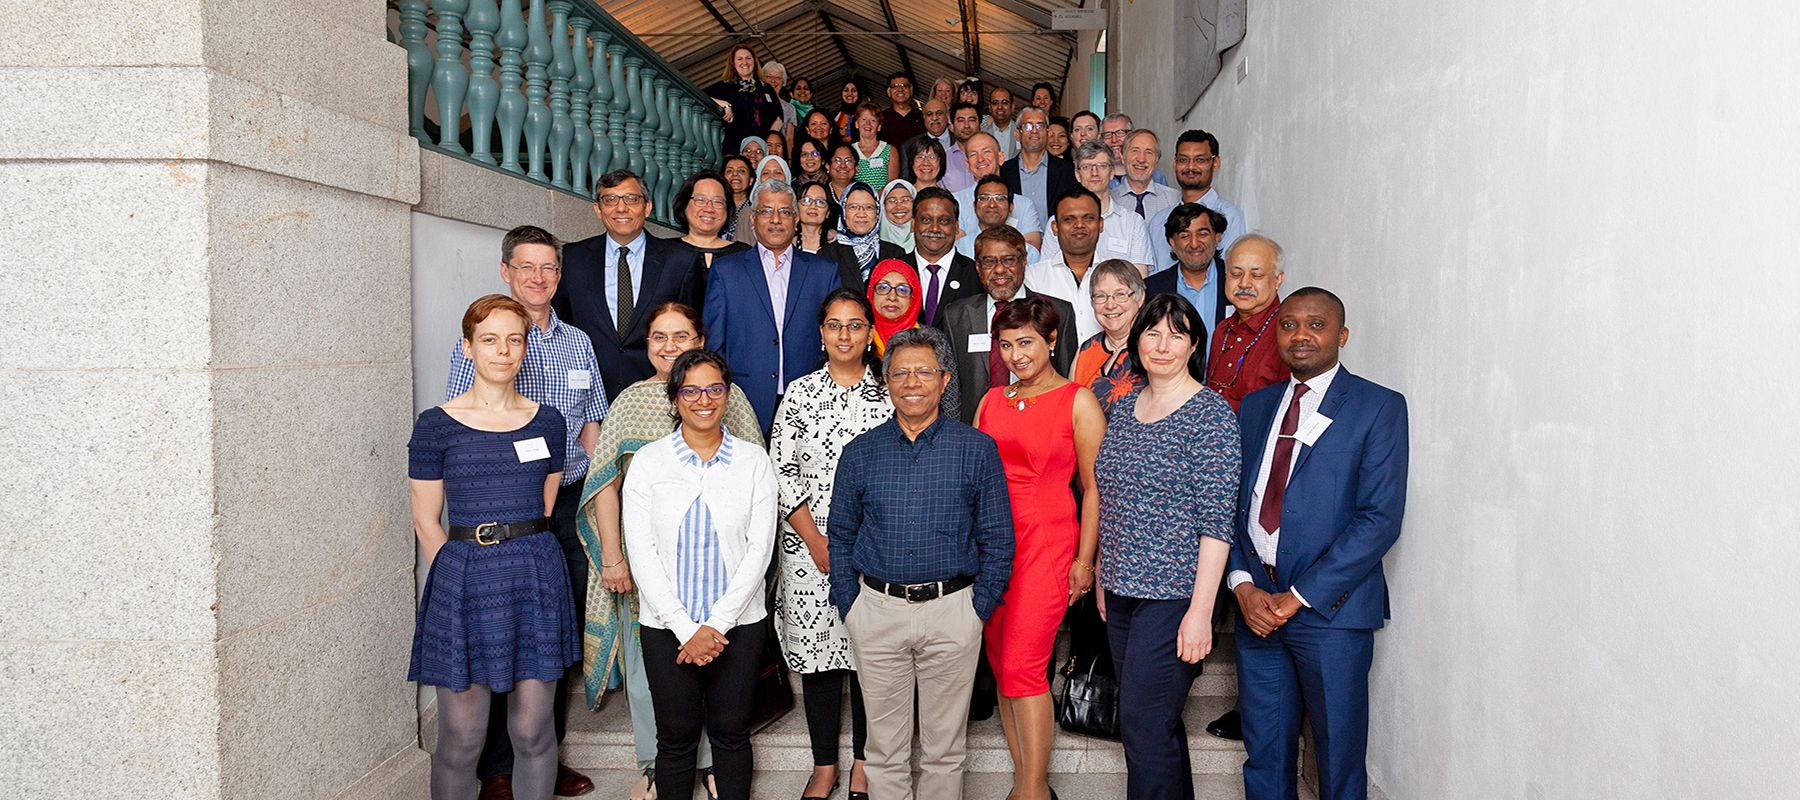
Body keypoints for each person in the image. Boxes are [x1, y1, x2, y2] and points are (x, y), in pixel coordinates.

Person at [1229, 288, 1409, 800]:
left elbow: (1380, 519)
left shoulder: (1378, 407)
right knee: (1264, 755)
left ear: (1341, 336)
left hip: (1331, 613)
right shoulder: (1258, 407)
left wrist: (1298, 596)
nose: (1300, 335)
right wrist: (1242, 586)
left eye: (1316, 325)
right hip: (1256, 608)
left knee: (1337, 759)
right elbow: (1233, 506)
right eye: (1288, 325)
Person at [577, 302, 760, 800]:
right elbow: (606, 482)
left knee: (724, 704)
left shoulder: (731, 398)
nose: (670, 346)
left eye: (681, 336)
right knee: (654, 681)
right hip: (650, 571)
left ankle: (712, 767)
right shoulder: (631, 401)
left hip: (725, 581)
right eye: (659, 336)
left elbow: (752, 484)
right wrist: (614, 558)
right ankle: (657, 766)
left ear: (700, 340)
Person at [442, 232, 601, 800]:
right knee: (493, 641)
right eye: (527, 267)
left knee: (546, 641)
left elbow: (592, 427)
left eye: (549, 268)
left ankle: (544, 755)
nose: (539, 278)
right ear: (507, 271)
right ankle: (499, 769)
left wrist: (597, 502)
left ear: (560, 275)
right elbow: (462, 433)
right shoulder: (487, 336)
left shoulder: (578, 343)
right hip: (501, 509)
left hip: (564, 505)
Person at [826, 325, 1015, 800]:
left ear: (945, 380)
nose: (912, 382)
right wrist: (852, 606)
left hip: (953, 612)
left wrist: (978, 609)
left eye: (924, 372)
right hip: (877, 612)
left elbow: (998, 538)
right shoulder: (860, 453)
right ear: (885, 381)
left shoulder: (976, 449)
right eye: (900, 372)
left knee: (944, 750)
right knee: (884, 751)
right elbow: (842, 535)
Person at [410, 294, 582, 800]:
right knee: (463, 739)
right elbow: (425, 519)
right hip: (463, 581)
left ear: (526, 349)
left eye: (514, 339)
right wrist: (461, 575)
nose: (502, 350)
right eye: (489, 339)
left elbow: (544, 503)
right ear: (467, 348)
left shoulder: (549, 421)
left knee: (533, 732)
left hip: (534, 578)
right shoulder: (435, 425)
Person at [1094, 292, 1241, 800]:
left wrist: (1202, 611)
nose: (1162, 345)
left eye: (1176, 334)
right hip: (1120, 589)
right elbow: (1113, 496)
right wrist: (1101, 575)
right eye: (1152, 332)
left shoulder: (1210, 415)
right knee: (1156, 723)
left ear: (1193, 344)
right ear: (1136, 341)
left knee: (1141, 722)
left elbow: (1217, 523)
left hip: (1176, 594)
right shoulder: (1128, 405)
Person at [622, 348, 779, 800]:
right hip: (667, 626)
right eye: (690, 390)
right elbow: (642, 552)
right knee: (675, 740)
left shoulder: (752, 461)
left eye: (714, 389)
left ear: (727, 395)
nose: (703, 399)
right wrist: (687, 628)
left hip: (737, 627)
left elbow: (759, 551)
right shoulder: (650, 463)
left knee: (731, 734)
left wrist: (715, 626)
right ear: (674, 398)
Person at [974, 297, 1105, 800]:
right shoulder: (990, 401)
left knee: (1026, 666)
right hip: (991, 547)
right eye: (1005, 345)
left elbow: (1093, 488)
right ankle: (1023, 779)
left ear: (1052, 341)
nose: (1015, 355)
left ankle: (1032, 791)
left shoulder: (1078, 400)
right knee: (1004, 665)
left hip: (1047, 540)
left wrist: (1084, 560)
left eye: (1026, 342)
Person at [767, 290, 890, 800]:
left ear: (869, 333)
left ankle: (863, 763)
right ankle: (824, 766)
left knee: (868, 658)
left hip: (879, 548)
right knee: (818, 661)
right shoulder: (799, 394)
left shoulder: (889, 394)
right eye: (834, 325)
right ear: (820, 333)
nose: (844, 334)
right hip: (808, 547)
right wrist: (816, 542)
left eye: (855, 325)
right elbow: (782, 470)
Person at [704, 178, 844, 431]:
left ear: (796, 219)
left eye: (785, 212)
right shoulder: (726, 270)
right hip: (743, 404)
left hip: (811, 404)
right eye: (767, 211)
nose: (776, 219)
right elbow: (715, 346)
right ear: (753, 219)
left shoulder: (823, 271)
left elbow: (835, 340)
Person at [554, 169, 705, 402]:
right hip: (590, 394)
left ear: (647, 207)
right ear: (598, 209)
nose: (621, 208)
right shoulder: (572, 258)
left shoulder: (681, 260)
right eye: (610, 200)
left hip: (661, 393)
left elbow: (695, 331)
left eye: (631, 199)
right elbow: (562, 326)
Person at [942, 226, 1077, 424]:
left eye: (1009, 260)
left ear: (1024, 261)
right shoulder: (956, 315)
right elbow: (951, 388)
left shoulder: (1058, 312)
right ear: (978, 267)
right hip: (976, 431)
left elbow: (1066, 379)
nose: (999, 269)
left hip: (1041, 425)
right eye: (989, 261)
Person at [1040, 140, 1154, 274]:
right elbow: (1047, 273)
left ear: (1112, 172)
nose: (1095, 173)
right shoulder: (1060, 222)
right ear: (1077, 174)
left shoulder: (1133, 222)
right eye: (1087, 167)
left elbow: (1139, 278)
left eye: (1102, 166)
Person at [1206, 234, 1290, 411]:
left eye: (1256, 275)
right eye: (1236, 274)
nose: (1244, 283)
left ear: (1278, 280)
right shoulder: (1222, 330)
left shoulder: (1288, 333)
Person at [1146, 129, 1249, 273]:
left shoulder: (1230, 216)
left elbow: (1231, 273)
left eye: (1200, 159)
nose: (1191, 167)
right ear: (1175, 165)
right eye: (1183, 159)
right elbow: (1153, 277)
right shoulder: (1159, 221)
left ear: (1216, 163)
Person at [1024, 186, 1113, 341]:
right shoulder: (1034, 277)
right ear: (1055, 227)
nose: (1079, 225)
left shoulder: (1118, 276)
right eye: (1069, 219)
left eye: (1088, 218)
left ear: (1100, 225)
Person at [1071, 259, 1148, 416]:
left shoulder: (1152, 348)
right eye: (1101, 296)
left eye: (1120, 294)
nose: (1110, 305)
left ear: (1140, 298)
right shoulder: (1085, 351)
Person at [1145, 203, 1231, 333]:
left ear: (1217, 238)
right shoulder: (1152, 289)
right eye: (1185, 236)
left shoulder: (1235, 280)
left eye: (1202, 234)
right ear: (1172, 243)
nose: (1194, 244)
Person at [907, 186, 985, 328]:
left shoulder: (976, 275)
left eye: (944, 221)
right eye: (926, 220)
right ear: (913, 224)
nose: (935, 228)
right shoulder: (894, 271)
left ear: (956, 227)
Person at [954, 132, 1043, 254]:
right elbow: (958, 249)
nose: (980, 159)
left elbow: (1031, 250)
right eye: (973, 154)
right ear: (968, 164)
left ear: (1001, 158)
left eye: (986, 152)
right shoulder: (955, 201)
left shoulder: (1024, 204)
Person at [820, 181, 906, 291]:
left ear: (878, 212)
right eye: (853, 207)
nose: (861, 214)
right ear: (844, 212)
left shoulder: (896, 254)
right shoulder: (827, 255)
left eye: (869, 207)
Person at [1001, 105, 1076, 222]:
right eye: (1028, 126)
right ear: (1017, 134)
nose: (1034, 131)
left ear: (1047, 132)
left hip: (1055, 239)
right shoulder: (1003, 172)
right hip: (1016, 239)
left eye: (1040, 126)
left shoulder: (1067, 170)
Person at [674, 170, 754, 274]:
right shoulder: (666, 252)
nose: (709, 209)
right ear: (684, 206)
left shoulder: (743, 254)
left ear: (727, 209)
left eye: (717, 202)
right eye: (700, 200)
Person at [707, 45, 782, 149]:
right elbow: (699, 94)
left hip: (762, 148)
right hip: (735, 149)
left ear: (755, 62)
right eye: (739, 59)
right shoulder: (725, 87)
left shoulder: (766, 88)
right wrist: (724, 104)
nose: (745, 62)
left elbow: (778, 116)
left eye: (748, 58)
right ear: (733, 63)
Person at [957, 174, 1042, 262]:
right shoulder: (958, 249)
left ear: (1010, 208)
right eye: (985, 198)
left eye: (1000, 199)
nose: (992, 205)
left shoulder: (1029, 253)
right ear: (974, 206)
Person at [1114, 129, 1182, 220]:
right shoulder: (1111, 200)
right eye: (1135, 151)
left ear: (1156, 161)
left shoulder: (1174, 200)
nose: (1141, 159)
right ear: (1123, 157)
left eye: (1149, 152)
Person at [1099, 112, 1167, 188]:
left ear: (1132, 135)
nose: (1114, 140)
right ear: (1101, 139)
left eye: (1120, 133)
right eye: (1107, 134)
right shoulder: (1095, 176)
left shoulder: (1156, 177)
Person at [848, 101, 898, 188]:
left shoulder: (890, 151)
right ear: (856, 124)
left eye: (873, 120)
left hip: (882, 200)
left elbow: (892, 184)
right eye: (864, 119)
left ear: (879, 126)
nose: (868, 123)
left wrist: (875, 198)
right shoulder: (849, 151)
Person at [941, 102, 982, 192]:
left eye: (971, 120)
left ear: (980, 125)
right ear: (951, 126)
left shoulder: (990, 159)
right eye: (960, 120)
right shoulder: (943, 159)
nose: (966, 125)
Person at [879, 71, 926, 146]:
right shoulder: (881, 118)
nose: (900, 89)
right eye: (895, 86)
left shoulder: (922, 117)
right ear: (888, 92)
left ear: (911, 90)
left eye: (904, 85)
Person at [796, 180, 840, 254]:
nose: (813, 206)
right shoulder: (786, 243)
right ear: (796, 208)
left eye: (820, 202)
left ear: (828, 213)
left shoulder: (838, 245)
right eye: (807, 200)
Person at [720, 154, 755, 241]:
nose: (735, 174)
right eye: (729, 171)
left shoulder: (755, 210)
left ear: (751, 180)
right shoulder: (716, 207)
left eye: (742, 171)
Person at [982, 85, 1021, 159]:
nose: (1000, 107)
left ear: (1012, 107)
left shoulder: (1022, 133)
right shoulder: (982, 134)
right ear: (990, 108)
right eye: (995, 103)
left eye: (1005, 102)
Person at [763, 61, 797, 142]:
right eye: (768, 76)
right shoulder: (756, 102)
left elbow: (789, 139)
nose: (773, 80)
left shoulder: (789, 108)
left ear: (783, 82)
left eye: (777, 77)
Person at [879, 179, 915, 251]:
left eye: (905, 200)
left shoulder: (926, 235)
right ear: (883, 205)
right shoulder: (873, 238)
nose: (898, 206)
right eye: (892, 201)